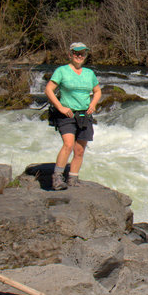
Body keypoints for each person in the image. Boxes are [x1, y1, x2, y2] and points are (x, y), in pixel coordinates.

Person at [45, 42, 102, 190]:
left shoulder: (89, 73)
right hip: (67, 114)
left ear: (85, 55)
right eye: (76, 53)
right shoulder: (62, 71)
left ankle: (73, 179)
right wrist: (60, 107)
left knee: (80, 150)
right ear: (70, 55)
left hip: (85, 114)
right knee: (68, 144)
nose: (79, 56)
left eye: (82, 53)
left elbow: (97, 91)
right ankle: (57, 177)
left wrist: (93, 104)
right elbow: (49, 89)